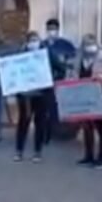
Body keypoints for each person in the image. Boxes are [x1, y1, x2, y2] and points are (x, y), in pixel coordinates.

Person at [14, 32, 63, 162]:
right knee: (23, 122)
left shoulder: (47, 53)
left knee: (40, 122)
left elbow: (60, 69)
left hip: (42, 94)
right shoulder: (20, 54)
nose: (33, 43)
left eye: (35, 40)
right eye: (31, 40)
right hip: (25, 96)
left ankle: (37, 151)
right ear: (27, 42)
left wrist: (51, 79)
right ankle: (19, 151)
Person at [75, 34, 102, 169]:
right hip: (84, 96)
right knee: (87, 127)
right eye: (86, 44)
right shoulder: (79, 58)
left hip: (101, 96)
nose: (89, 47)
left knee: (101, 128)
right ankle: (88, 156)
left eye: (91, 44)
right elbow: (74, 74)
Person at [42, 18, 76, 145]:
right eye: (49, 29)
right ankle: (46, 133)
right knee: (46, 107)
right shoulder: (42, 45)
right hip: (45, 81)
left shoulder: (66, 45)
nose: (52, 31)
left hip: (61, 81)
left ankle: (58, 132)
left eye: (54, 29)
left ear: (58, 29)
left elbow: (73, 61)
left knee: (57, 107)